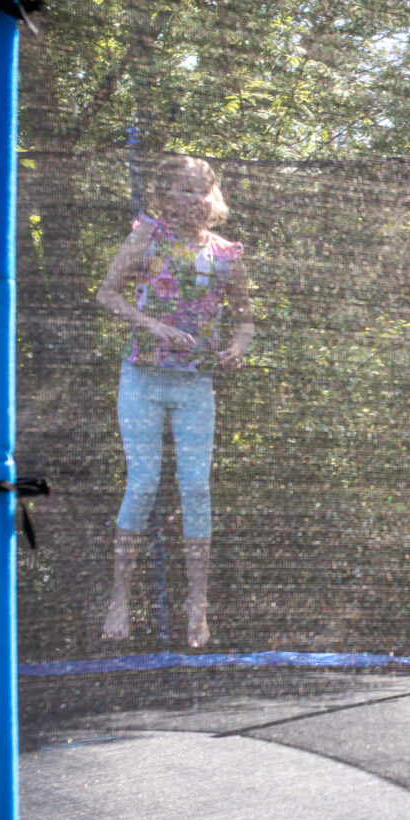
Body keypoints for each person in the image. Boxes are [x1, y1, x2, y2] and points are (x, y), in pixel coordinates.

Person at [96, 155, 253, 648]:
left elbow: (245, 320)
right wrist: (154, 327)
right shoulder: (148, 235)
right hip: (143, 377)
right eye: (185, 190)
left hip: (194, 384)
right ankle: (119, 598)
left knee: (197, 490)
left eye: (203, 190)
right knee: (143, 484)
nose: (196, 199)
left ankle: (197, 605)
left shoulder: (226, 253)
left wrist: (238, 348)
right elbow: (107, 294)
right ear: (166, 196)